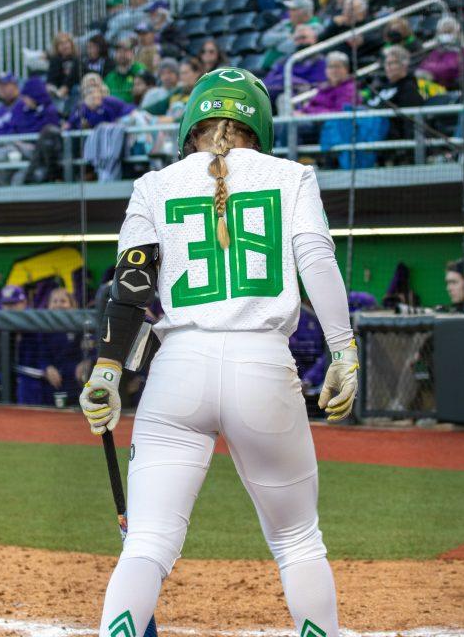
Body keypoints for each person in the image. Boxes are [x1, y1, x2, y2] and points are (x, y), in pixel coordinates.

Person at [80, 66, 358, 637]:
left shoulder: (153, 185)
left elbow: (129, 288)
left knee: (148, 543)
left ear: (192, 124)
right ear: (261, 126)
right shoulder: (292, 176)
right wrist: (343, 351)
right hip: (263, 365)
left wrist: (107, 371)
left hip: (178, 368)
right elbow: (317, 262)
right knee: (298, 541)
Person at [16, 286, 85, 406]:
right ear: (48, 305)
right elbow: (42, 353)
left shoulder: (80, 326)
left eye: (63, 301)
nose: (58, 304)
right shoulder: (44, 328)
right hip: (52, 383)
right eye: (55, 301)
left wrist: (86, 362)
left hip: (75, 383)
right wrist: (47, 367)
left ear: (72, 305)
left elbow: (87, 351)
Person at [263, 25, 327, 99]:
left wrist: (291, 80)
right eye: (297, 39)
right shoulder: (284, 60)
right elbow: (269, 80)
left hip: (301, 97)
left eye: (303, 37)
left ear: (314, 39)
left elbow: (317, 86)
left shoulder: (319, 60)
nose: (300, 41)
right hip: (275, 93)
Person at [261, 0, 321, 70]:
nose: (289, 12)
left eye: (293, 10)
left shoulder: (315, 26)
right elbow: (265, 40)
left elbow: (286, 47)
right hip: (269, 69)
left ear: (304, 12)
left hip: (287, 71)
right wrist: (288, 36)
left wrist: (275, 44)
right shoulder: (286, 23)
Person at [414, 16, 464, 90]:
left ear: (457, 32)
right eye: (444, 32)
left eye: (449, 32)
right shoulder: (438, 50)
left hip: (449, 87)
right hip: (433, 83)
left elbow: (450, 69)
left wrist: (430, 71)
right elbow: (424, 65)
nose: (446, 35)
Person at [47, 31, 83, 108]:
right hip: (58, 90)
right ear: (57, 47)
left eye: (67, 42)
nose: (65, 46)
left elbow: (77, 77)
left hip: (74, 88)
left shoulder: (77, 59)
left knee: (76, 88)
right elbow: (51, 77)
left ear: (71, 44)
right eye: (61, 44)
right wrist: (50, 86)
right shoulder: (55, 60)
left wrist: (66, 87)